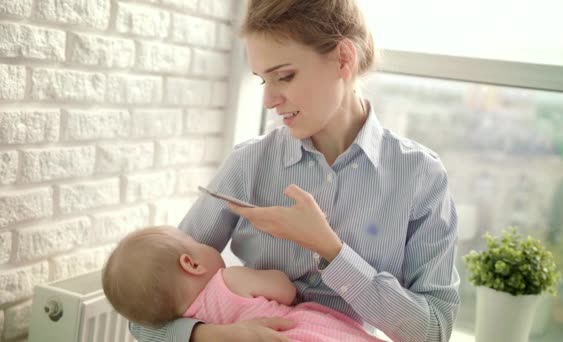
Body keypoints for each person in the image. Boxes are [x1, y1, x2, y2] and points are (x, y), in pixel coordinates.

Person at [130, 0, 460, 341]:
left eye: (284, 76)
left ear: (344, 60)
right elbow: (144, 317)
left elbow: (432, 331)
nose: (269, 100)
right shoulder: (249, 163)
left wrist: (331, 249)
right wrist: (221, 336)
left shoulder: (420, 176)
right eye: (262, 81)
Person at [103, 226, 385, 341]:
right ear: (191, 263)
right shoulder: (228, 279)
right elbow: (285, 290)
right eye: (196, 242)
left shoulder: (186, 318)